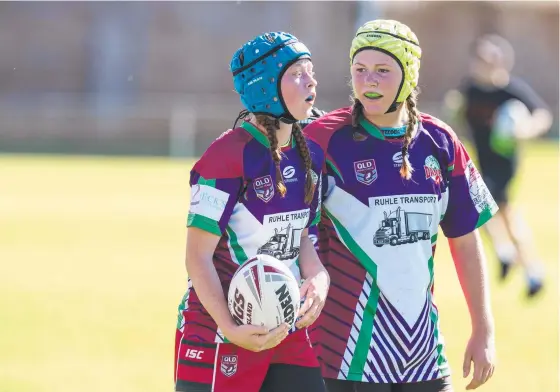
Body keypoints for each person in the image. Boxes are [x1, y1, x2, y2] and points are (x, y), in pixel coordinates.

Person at [304, 20, 497, 391]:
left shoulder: (440, 141)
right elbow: (294, 230)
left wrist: (483, 329)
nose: (368, 81)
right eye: (359, 70)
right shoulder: (324, 140)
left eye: (382, 70)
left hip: (423, 352)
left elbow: (465, 239)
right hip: (350, 353)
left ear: (408, 75)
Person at [174, 32, 329, 392]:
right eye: (296, 73)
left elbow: (301, 235)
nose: (311, 81)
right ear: (266, 88)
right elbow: (197, 257)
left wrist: (318, 277)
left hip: (286, 327)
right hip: (219, 329)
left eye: (311, 71)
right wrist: (229, 327)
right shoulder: (226, 156)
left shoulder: (310, 154)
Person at [443, 34, 552, 297]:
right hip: (482, 161)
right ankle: (531, 270)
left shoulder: (511, 90)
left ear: (502, 62)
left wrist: (525, 129)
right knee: (505, 214)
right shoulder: (470, 89)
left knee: (479, 203)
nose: (482, 65)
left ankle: (508, 255)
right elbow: (458, 116)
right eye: (479, 59)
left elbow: (542, 115)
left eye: (488, 59)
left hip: (504, 164)